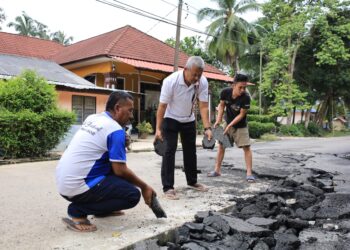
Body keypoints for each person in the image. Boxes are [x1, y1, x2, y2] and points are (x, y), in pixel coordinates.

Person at [56, 91, 155, 232]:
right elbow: (120, 170)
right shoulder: (115, 130)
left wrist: (122, 141)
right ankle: (77, 211)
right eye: (130, 110)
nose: (132, 116)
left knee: (114, 172)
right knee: (132, 195)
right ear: (117, 108)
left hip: (63, 182)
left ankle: (102, 209)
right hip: (77, 187)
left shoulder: (93, 118)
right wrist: (144, 187)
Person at [155, 56, 213, 200]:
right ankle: (168, 187)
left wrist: (207, 128)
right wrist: (158, 129)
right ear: (185, 69)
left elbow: (204, 106)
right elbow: (162, 106)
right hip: (170, 118)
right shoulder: (171, 81)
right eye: (194, 74)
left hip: (188, 119)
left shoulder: (202, 82)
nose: (196, 78)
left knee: (190, 151)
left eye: (199, 75)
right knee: (169, 151)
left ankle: (192, 181)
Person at [208, 73, 255, 182]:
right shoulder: (225, 92)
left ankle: (249, 173)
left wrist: (229, 125)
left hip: (241, 126)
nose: (243, 90)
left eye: (245, 87)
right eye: (240, 87)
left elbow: (242, 115)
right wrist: (218, 120)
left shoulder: (246, 98)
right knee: (221, 146)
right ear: (233, 85)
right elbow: (222, 106)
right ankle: (217, 170)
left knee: (246, 148)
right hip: (227, 122)